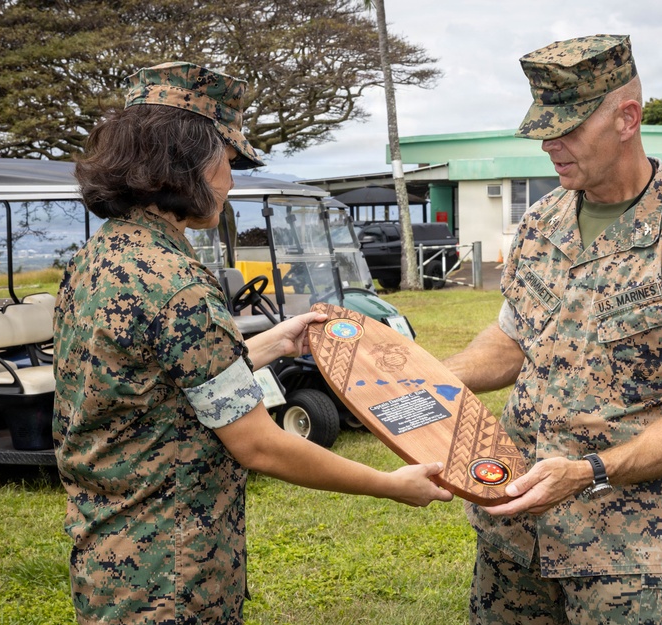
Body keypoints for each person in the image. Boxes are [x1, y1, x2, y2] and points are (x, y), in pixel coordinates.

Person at [52, 61, 452, 625]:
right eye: (225, 162)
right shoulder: (179, 285)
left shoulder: (99, 260)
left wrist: (271, 344)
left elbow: (159, 386)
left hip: (109, 558)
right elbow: (260, 444)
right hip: (173, 577)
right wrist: (389, 484)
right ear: (185, 162)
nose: (230, 182)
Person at [443, 35, 662, 624]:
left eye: (567, 127)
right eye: (544, 128)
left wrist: (589, 472)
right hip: (514, 528)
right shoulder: (543, 220)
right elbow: (514, 340)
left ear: (627, 117)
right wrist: (430, 381)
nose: (549, 145)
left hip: (625, 554)